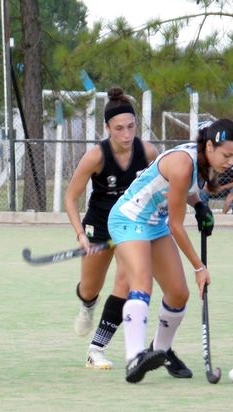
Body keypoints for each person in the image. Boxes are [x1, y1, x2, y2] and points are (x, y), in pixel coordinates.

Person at [108, 118, 233, 383]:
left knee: (178, 294)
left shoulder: (201, 162)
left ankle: (160, 350)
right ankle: (134, 358)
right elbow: (176, 226)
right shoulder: (183, 164)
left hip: (153, 223)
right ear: (210, 146)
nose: (231, 162)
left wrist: (199, 205)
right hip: (129, 218)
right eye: (227, 155)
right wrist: (199, 267)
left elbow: (182, 190)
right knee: (142, 283)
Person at [64, 87, 162, 371]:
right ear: (107, 128)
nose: (126, 134)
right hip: (99, 222)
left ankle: (96, 349)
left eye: (131, 127)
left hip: (132, 224)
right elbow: (70, 198)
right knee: (90, 288)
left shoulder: (148, 152)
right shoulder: (96, 156)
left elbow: (161, 188)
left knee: (126, 281)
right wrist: (80, 235)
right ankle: (87, 305)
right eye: (119, 128)